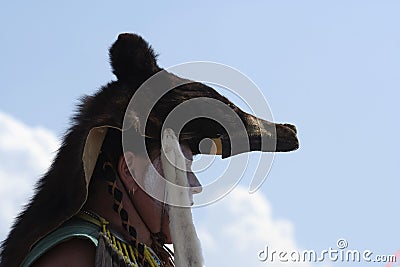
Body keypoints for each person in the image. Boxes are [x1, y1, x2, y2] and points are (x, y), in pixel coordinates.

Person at [0, 33, 299, 267]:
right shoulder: (78, 252)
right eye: (179, 167)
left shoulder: (145, 258)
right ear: (130, 170)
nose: (195, 186)